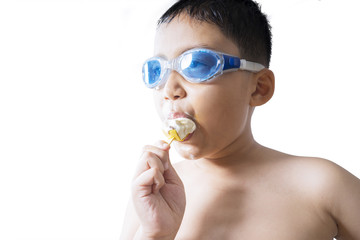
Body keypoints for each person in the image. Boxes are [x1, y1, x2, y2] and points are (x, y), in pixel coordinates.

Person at [120, 0, 360, 239]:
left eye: (197, 65)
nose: (170, 89)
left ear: (259, 89)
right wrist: (155, 234)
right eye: (156, 71)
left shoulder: (322, 185)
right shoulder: (151, 194)